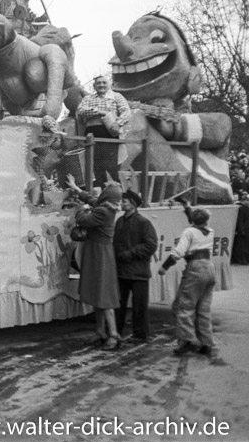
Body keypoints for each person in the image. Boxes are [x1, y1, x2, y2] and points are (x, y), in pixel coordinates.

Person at [66, 174, 122, 350]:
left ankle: (113, 335)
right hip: (100, 252)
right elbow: (93, 200)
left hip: (99, 253)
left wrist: (81, 208)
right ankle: (101, 332)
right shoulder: (107, 208)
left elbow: (83, 219)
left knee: (104, 296)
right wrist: (76, 189)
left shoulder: (103, 211)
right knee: (99, 295)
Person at [159, 206, 217, 357]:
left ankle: (187, 340)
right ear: (206, 220)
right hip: (209, 268)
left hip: (195, 268)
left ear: (193, 220)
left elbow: (178, 252)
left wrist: (164, 267)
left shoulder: (189, 232)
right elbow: (196, 220)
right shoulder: (210, 232)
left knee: (183, 306)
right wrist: (187, 207)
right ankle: (206, 342)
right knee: (203, 308)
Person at [112, 189, 158, 343]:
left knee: (139, 306)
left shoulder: (144, 222)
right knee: (119, 304)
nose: (122, 203)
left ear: (133, 204)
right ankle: (115, 331)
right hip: (121, 271)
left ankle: (140, 335)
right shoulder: (119, 221)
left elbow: (151, 245)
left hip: (138, 272)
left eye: (125, 201)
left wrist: (129, 254)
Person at [75, 75, 130, 188]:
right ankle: (99, 195)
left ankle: (115, 195)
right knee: (95, 167)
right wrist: (100, 112)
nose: (101, 85)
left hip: (110, 134)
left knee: (111, 166)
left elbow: (126, 112)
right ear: (94, 86)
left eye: (104, 83)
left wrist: (117, 123)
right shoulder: (88, 98)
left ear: (109, 84)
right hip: (92, 135)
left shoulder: (116, 96)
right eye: (98, 83)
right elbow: (81, 111)